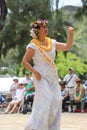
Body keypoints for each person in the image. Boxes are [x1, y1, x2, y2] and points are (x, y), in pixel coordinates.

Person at [22, 19, 74, 130]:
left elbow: (67, 46)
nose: (46, 29)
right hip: (40, 76)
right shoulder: (33, 46)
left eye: (46, 26)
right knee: (46, 99)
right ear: (37, 31)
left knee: (56, 101)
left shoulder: (52, 43)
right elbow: (24, 61)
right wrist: (35, 72)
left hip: (52, 76)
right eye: (43, 27)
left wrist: (71, 34)